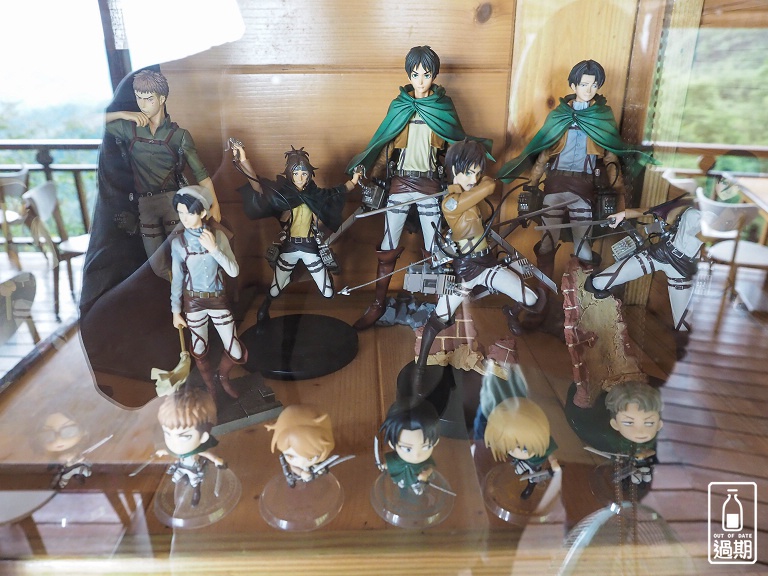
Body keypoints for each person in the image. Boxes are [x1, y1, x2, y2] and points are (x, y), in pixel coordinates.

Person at [496, 60, 656, 326]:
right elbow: (543, 155)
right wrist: (532, 185)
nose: (588, 89)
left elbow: (611, 158)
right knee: (547, 243)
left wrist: (619, 195)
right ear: (573, 85)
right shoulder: (559, 116)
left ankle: (585, 307)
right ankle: (540, 304)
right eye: (583, 84)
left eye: (594, 85)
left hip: (584, 189)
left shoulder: (601, 118)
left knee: (583, 246)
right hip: (555, 186)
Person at [346, 45, 493, 330]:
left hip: (430, 185)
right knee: (387, 247)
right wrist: (369, 174)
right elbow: (386, 145)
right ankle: (378, 304)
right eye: (415, 74)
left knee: (435, 249)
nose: (421, 80)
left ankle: (441, 309)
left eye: (426, 74)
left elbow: (456, 148)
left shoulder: (442, 107)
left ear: (434, 75)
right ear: (409, 75)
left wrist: (465, 182)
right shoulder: (400, 106)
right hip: (400, 183)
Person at [411, 139, 543, 395]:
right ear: (454, 170)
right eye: (469, 172)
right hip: (465, 270)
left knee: (531, 298)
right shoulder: (451, 202)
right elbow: (490, 186)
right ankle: (420, 368)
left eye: (477, 173)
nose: (474, 179)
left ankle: (510, 311)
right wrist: (485, 181)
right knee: (439, 317)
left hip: (487, 262)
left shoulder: (474, 199)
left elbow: (486, 212)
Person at [105, 70, 221, 276]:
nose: (143, 105)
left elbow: (201, 173)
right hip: (145, 203)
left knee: (187, 255)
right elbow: (93, 120)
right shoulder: (129, 129)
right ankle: (177, 291)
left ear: (162, 99)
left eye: (149, 99)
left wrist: (215, 205)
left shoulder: (179, 136)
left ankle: (191, 292)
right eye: (139, 98)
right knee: (158, 266)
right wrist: (123, 114)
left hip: (173, 202)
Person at [236, 144, 360, 323]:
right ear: (290, 174)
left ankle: (312, 272)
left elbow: (337, 191)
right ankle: (266, 306)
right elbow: (257, 185)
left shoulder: (316, 195)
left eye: (303, 173)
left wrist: (354, 180)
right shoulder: (283, 195)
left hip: (310, 247)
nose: (300, 178)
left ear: (309, 174)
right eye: (296, 174)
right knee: (275, 291)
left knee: (328, 293)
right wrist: (242, 159)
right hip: (290, 247)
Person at [585, 194, 701, 358]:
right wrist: (623, 214)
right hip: (662, 253)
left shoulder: (729, 217)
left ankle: (686, 363)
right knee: (597, 283)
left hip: (684, 269)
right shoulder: (693, 200)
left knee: (684, 327)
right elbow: (654, 211)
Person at [170, 185, 244, 400]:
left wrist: (215, 250)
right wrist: (175, 311)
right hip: (193, 303)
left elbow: (233, 271)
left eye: (189, 212)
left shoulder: (218, 236)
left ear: (202, 212)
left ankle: (223, 377)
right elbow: (177, 279)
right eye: (180, 213)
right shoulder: (178, 243)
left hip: (217, 300)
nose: (184, 218)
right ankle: (210, 386)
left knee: (236, 349)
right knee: (199, 348)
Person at [156, 386, 224, 507]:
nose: (174, 443)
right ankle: (183, 487)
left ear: (203, 437)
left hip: (193, 468)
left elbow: (206, 454)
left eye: (184, 437)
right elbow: (169, 451)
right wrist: (162, 451)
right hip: (181, 465)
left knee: (195, 482)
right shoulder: (176, 450)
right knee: (177, 478)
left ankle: (196, 493)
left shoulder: (197, 450)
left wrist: (216, 460)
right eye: (168, 434)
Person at [484, 397, 558, 500]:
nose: (515, 451)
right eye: (510, 447)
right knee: (517, 471)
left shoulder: (541, 444)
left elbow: (550, 454)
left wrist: (554, 462)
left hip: (535, 465)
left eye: (523, 448)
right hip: (522, 462)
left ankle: (530, 488)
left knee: (532, 478)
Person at [604, 381, 663, 486]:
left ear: (659, 424)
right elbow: (616, 452)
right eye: (628, 423)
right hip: (627, 465)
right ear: (615, 424)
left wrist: (649, 453)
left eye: (649, 423)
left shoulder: (658, 441)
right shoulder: (616, 440)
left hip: (646, 464)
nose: (640, 431)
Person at [378, 398, 440, 496]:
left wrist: (425, 474)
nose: (416, 455)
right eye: (407, 449)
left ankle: (418, 493)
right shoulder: (398, 459)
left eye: (426, 447)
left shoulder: (424, 462)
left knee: (418, 492)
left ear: (435, 442)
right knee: (402, 489)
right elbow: (391, 464)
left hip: (416, 480)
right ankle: (403, 495)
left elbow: (430, 468)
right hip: (402, 479)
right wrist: (384, 466)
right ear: (392, 444)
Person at [265, 405, 336, 487]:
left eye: (310, 458)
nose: (301, 462)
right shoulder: (294, 466)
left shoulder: (319, 456)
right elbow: (294, 468)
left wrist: (318, 469)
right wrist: (302, 473)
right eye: (290, 456)